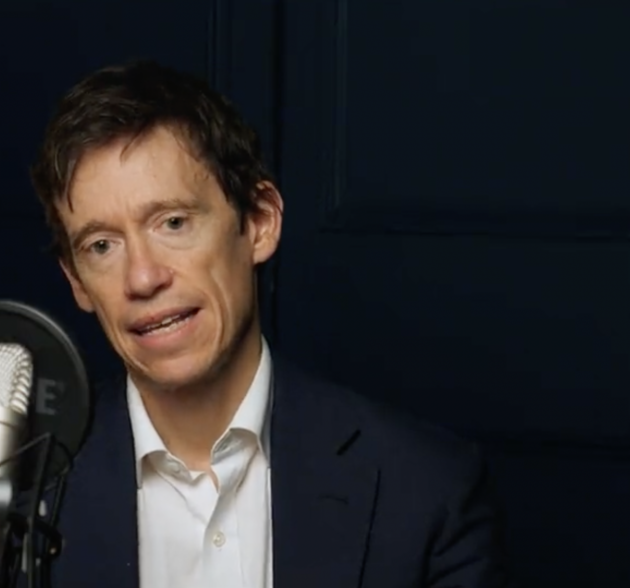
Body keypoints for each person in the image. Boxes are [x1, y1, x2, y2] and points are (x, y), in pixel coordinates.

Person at [28, 59, 512, 588]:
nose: (142, 278)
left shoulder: (426, 490)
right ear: (76, 281)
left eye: (173, 222)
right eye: (102, 246)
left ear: (259, 223)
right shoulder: (20, 492)